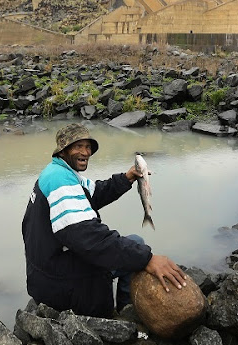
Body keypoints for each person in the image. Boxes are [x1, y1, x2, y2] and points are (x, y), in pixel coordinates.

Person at [22, 123, 187, 318]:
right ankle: (121, 318)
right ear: (63, 151)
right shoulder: (60, 182)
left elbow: (94, 193)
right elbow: (89, 238)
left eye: (88, 146)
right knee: (134, 252)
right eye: (78, 146)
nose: (85, 152)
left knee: (134, 243)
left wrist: (126, 179)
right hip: (61, 283)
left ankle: (125, 309)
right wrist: (147, 259)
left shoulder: (59, 173)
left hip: (45, 271)